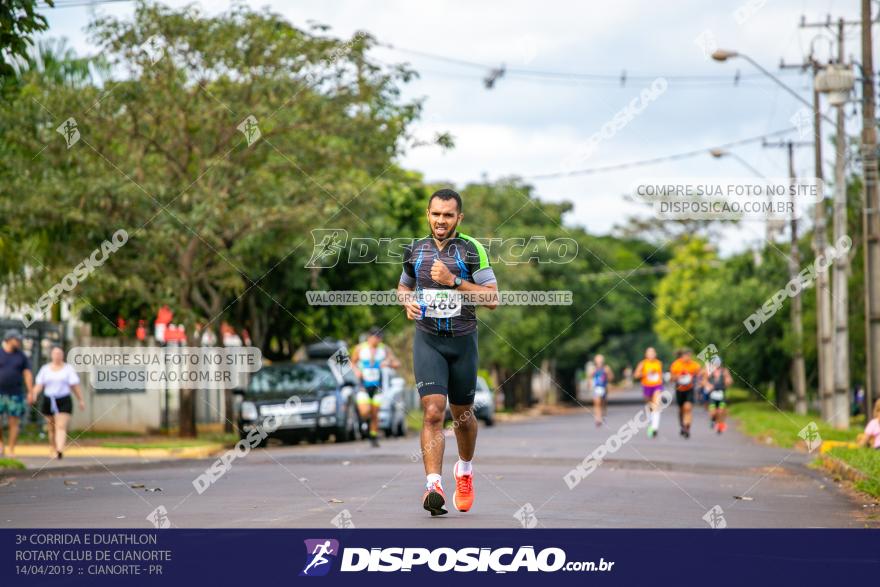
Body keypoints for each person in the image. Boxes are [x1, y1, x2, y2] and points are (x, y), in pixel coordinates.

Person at [397, 188, 499, 516]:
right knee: (432, 412)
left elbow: (492, 299)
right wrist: (407, 302)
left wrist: (455, 281)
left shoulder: (471, 250)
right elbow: (403, 287)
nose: (441, 221)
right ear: (428, 214)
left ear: (459, 218)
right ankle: (433, 485)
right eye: (436, 214)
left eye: (448, 215)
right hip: (428, 340)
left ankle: (464, 472)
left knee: (463, 417)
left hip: (462, 342)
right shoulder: (415, 250)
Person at [350, 327, 399, 447]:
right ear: (369, 337)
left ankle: (373, 436)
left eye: (379, 337)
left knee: (374, 413)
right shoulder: (360, 348)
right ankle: (364, 423)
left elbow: (397, 363)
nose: (377, 340)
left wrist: (388, 363)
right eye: (375, 337)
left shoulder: (385, 349)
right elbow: (352, 362)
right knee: (365, 411)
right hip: (363, 385)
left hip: (377, 386)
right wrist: (356, 370)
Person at [33, 346, 84, 459]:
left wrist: (81, 400)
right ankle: (53, 447)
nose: (57, 356)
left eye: (59, 354)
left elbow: (74, 386)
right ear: (51, 355)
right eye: (55, 354)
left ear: (62, 355)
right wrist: (34, 394)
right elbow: (39, 385)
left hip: (64, 400)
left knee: (60, 426)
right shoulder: (45, 369)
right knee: (51, 427)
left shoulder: (68, 369)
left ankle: (59, 449)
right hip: (49, 399)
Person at [0, 330, 34, 458]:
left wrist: (31, 392)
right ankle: (1, 444)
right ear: (9, 339)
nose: (19, 342)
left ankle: (11, 449)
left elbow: (27, 374)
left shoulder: (21, 356)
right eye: (17, 339)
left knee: (14, 422)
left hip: (16, 393)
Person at [669, 348, 701, 439]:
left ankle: (687, 427)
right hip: (679, 390)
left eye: (689, 356)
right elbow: (671, 379)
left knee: (688, 408)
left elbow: (700, 374)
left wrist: (697, 379)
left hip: (689, 389)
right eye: (686, 356)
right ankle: (682, 425)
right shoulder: (676, 364)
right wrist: (678, 376)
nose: (688, 358)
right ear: (682, 356)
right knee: (681, 409)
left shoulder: (694, 365)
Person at [633, 347, 664, 438]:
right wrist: (646, 373)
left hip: (657, 386)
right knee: (649, 406)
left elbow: (660, 375)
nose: (651, 355)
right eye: (649, 353)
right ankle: (651, 422)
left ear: (655, 354)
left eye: (652, 353)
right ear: (646, 355)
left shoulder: (659, 363)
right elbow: (636, 375)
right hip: (647, 386)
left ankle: (655, 427)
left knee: (656, 405)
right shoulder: (643, 364)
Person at [705, 360, 733, 433]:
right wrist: (708, 385)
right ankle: (713, 420)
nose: (716, 365)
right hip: (712, 395)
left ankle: (719, 426)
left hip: (721, 394)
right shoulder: (709, 371)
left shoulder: (724, 371)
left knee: (720, 411)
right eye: (714, 364)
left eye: (717, 364)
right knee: (713, 412)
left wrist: (728, 381)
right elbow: (703, 381)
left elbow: (729, 380)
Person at [588, 354, 614, 427]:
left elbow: (611, 377)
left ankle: (603, 414)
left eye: (601, 360)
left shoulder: (606, 368)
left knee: (603, 403)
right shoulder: (594, 369)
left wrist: (608, 375)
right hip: (596, 388)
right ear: (595, 361)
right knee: (597, 403)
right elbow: (589, 377)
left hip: (604, 387)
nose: (599, 362)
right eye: (598, 360)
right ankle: (598, 418)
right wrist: (589, 384)